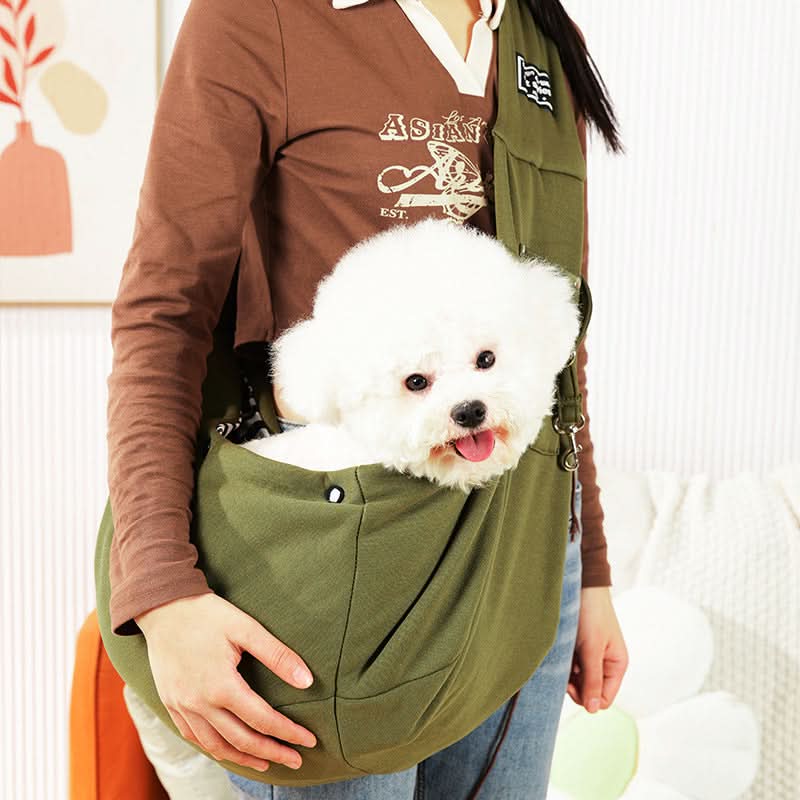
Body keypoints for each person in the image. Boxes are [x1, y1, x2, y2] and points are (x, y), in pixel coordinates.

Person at [105, 0, 629, 796]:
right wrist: (160, 589)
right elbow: (165, 312)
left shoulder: (538, 35)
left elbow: (552, 333)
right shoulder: (260, 18)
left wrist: (586, 570)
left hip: (526, 559)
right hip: (341, 570)